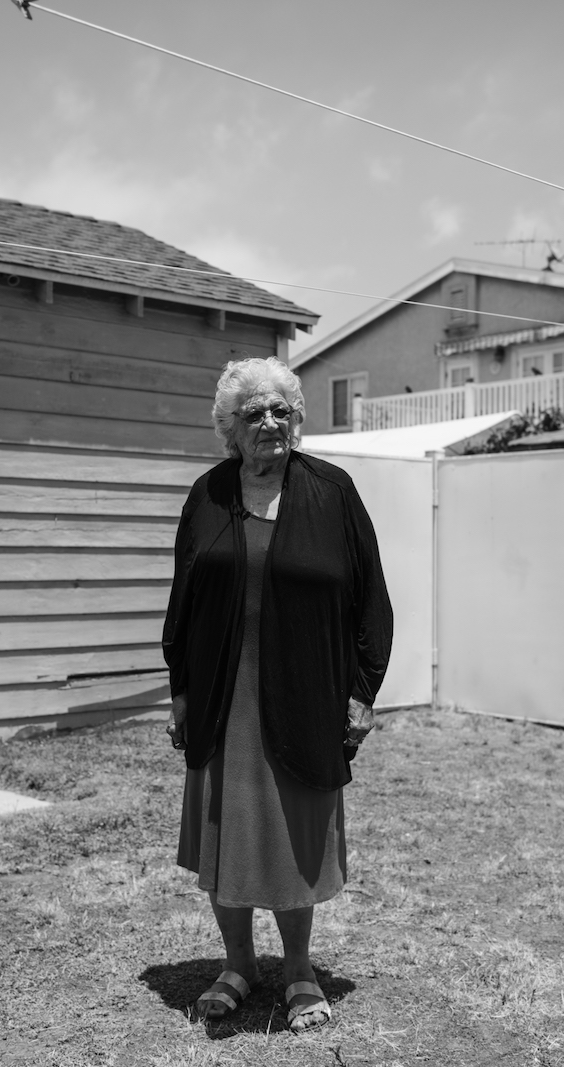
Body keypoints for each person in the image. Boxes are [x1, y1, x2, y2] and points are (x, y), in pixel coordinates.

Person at [163, 357, 393, 1032]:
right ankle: (237, 964)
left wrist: (361, 690)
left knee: (295, 832)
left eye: (282, 410)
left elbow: (370, 599)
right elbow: (184, 600)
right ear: (229, 428)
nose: (270, 422)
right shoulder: (208, 494)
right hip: (221, 697)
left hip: (306, 691)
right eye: (254, 413)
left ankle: (296, 969)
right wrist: (180, 692)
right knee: (225, 833)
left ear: (297, 418)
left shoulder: (332, 491)